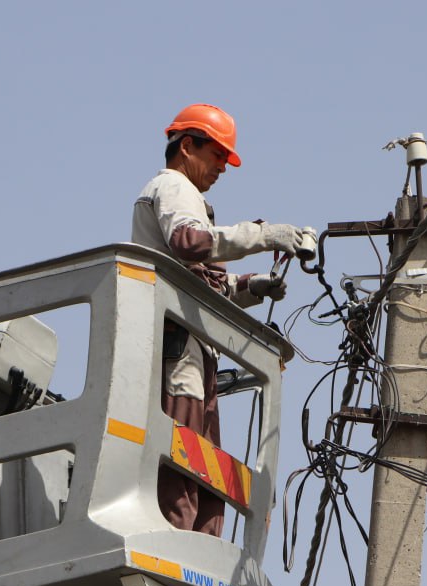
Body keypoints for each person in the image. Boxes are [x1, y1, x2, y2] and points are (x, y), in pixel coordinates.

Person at [131, 103, 306, 536]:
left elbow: (204, 284)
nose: (223, 168)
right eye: (218, 155)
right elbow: (188, 243)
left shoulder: (191, 198)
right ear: (187, 146)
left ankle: (202, 553)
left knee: (206, 468)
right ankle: (175, 548)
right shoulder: (172, 185)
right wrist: (262, 235)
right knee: (184, 462)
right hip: (176, 351)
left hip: (195, 352)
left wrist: (252, 287)